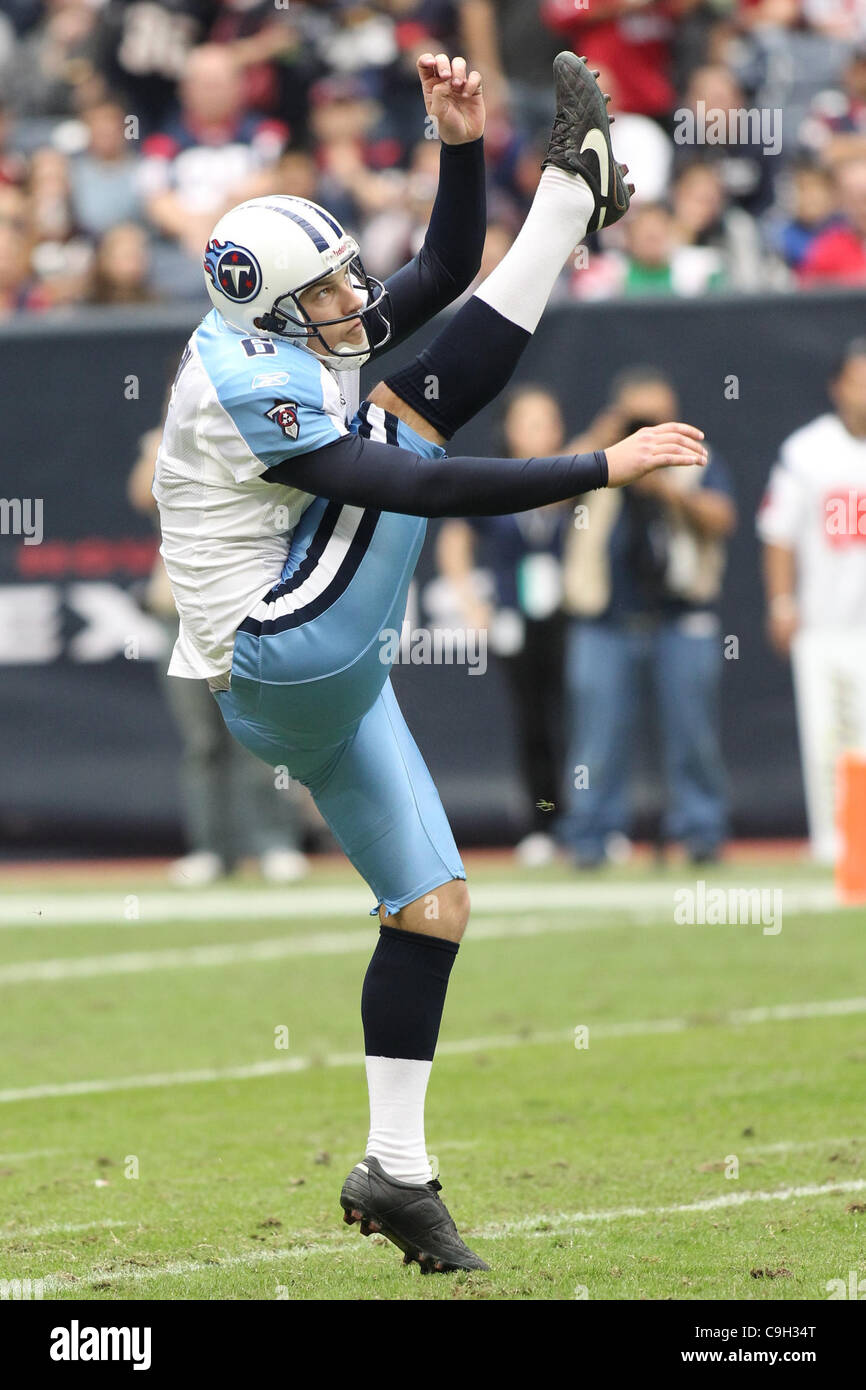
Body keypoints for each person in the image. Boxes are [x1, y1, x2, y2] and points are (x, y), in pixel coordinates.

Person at [154, 48, 705, 1274]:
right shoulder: (246, 379)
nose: (353, 295)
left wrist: (457, 144)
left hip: (316, 670)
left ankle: (395, 1168)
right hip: (278, 650)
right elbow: (419, 479)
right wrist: (595, 467)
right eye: (331, 285)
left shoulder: (284, 327)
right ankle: (570, 200)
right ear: (274, 309)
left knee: (434, 909)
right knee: (402, 417)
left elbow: (445, 269)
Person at [559, 366, 735, 867]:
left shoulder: (695, 458)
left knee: (693, 735)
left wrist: (667, 488)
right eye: (638, 417)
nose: (648, 426)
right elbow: (545, 494)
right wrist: (600, 441)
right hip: (604, 619)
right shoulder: (595, 455)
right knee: (596, 739)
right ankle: (589, 840)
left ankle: (702, 834)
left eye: (657, 416)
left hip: (682, 618)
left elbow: (723, 519)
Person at [435, 385, 571, 867]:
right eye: (531, 421)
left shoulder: (579, 473)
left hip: (571, 617)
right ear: (509, 430)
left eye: (549, 420)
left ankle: (588, 820)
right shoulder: (494, 483)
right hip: (516, 619)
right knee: (533, 725)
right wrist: (474, 605)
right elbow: (454, 541)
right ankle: (544, 821)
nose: (542, 431)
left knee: (578, 719)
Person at [757, 338, 866, 862]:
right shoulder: (808, 451)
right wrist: (782, 603)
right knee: (833, 733)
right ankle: (837, 839)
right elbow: (779, 532)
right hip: (826, 620)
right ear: (837, 386)